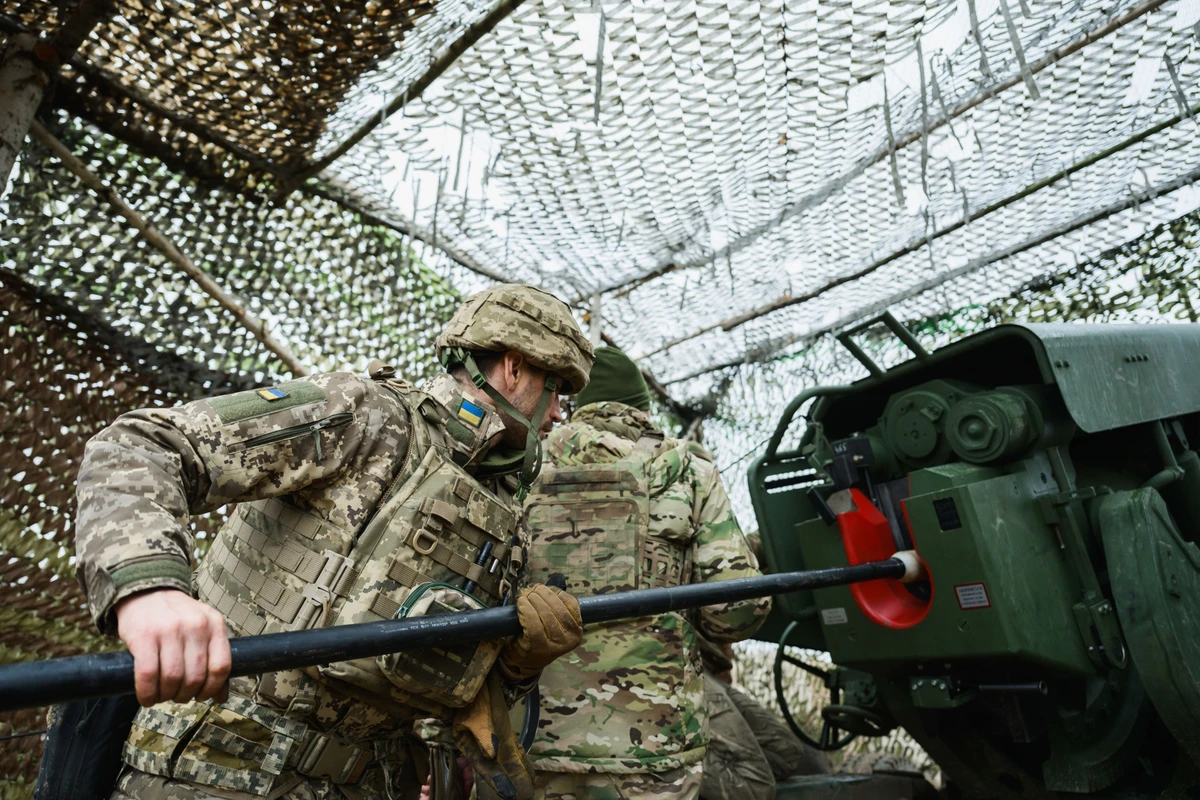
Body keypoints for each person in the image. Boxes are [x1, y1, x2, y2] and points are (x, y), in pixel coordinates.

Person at [72, 284, 594, 800]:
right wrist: (150, 589)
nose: (557, 414)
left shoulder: (507, 509)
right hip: (217, 773)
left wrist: (516, 666)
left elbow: (441, 686)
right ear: (514, 367)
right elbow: (141, 446)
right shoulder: (369, 416)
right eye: (557, 390)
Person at [520, 346, 772, 800]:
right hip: (654, 748)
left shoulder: (519, 466)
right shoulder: (687, 470)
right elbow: (735, 612)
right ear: (642, 407)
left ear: (577, 405)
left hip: (528, 742)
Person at [697, 637, 830, 800]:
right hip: (673, 667)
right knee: (756, 786)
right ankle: (668, 758)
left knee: (786, 752)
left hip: (697, 658)